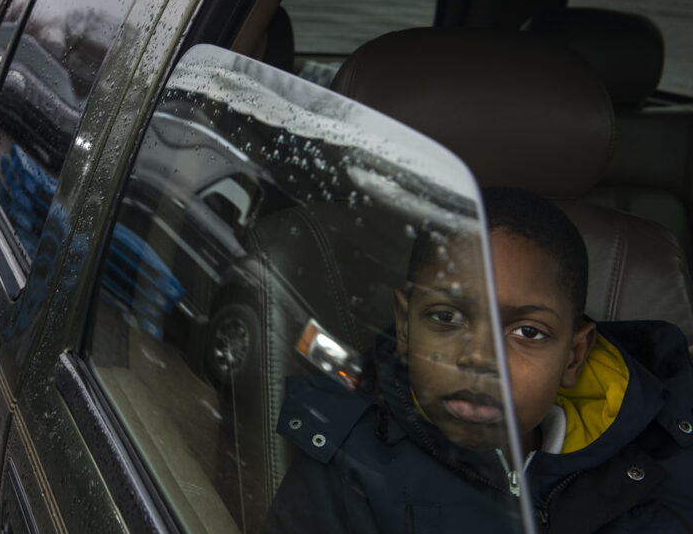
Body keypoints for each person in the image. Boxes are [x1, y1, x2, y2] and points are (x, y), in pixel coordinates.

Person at [264, 186, 693, 533]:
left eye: (528, 332)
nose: (479, 357)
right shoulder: (348, 467)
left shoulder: (660, 457)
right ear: (407, 326)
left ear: (573, 356)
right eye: (446, 317)